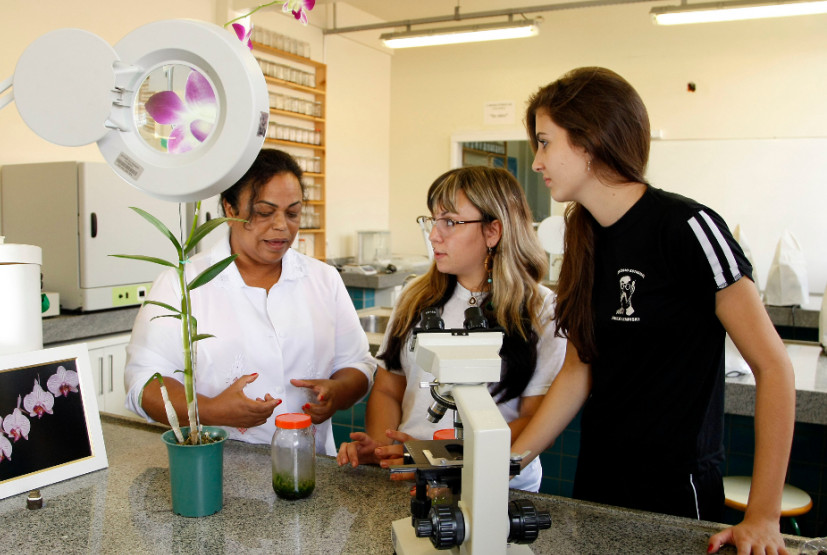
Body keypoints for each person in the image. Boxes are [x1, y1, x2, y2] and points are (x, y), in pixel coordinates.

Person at [511, 67, 795, 554]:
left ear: (589, 140)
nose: (536, 162)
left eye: (544, 142)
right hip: (598, 480)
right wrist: (508, 464)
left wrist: (763, 516)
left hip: (675, 489)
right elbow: (580, 368)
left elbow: (773, 367)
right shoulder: (583, 237)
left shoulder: (688, 227)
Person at [124, 149, 376, 456]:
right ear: (230, 209)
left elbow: (358, 364)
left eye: (292, 213)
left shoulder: (323, 279)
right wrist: (211, 410)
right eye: (264, 213)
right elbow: (144, 383)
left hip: (309, 465)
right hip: (216, 466)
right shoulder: (182, 283)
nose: (281, 226)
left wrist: (337, 393)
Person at [336, 166, 566, 492]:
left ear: (493, 231)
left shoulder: (541, 309)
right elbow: (389, 388)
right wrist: (382, 448)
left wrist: (440, 457)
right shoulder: (415, 297)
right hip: (412, 475)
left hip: (497, 483)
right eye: (432, 220)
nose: (434, 235)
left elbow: (536, 421)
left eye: (450, 222)